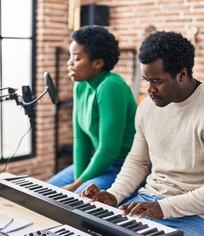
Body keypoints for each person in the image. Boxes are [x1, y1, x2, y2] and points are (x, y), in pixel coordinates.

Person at [80, 31, 204, 236]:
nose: (149, 89)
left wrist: (163, 207)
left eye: (157, 81)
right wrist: (115, 194)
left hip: (200, 216)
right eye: (146, 80)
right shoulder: (148, 107)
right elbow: (138, 161)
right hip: (149, 201)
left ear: (182, 74)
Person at [48, 25, 137, 194]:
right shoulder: (80, 85)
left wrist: (75, 187)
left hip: (122, 167)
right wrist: (77, 179)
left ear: (97, 63)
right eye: (70, 56)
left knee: (75, 200)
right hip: (98, 163)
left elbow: (108, 150)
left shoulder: (111, 86)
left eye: (76, 58)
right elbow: (81, 138)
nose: (69, 63)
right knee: (44, 191)